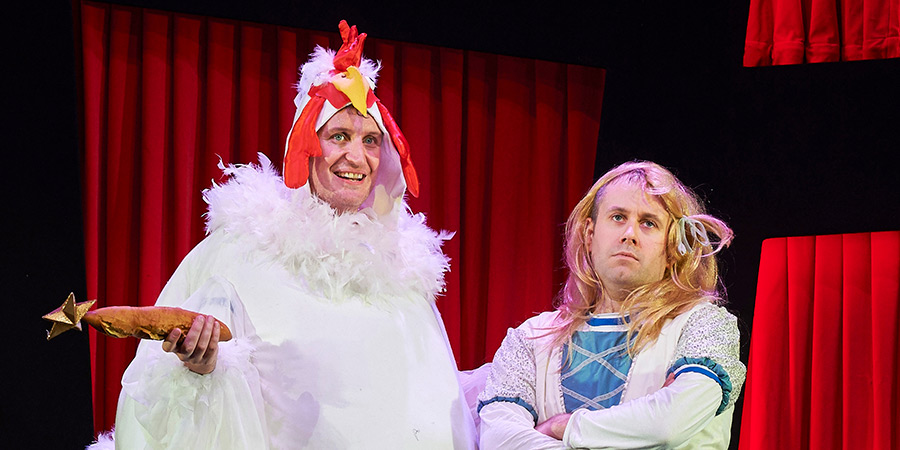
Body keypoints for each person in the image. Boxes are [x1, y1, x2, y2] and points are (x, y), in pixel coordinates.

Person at [93, 21, 476, 449]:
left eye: (371, 140)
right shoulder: (244, 246)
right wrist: (200, 368)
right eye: (339, 136)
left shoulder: (402, 275)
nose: (357, 156)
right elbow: (160, 395)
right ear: (305, 145)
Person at [477, 161, 746, 449]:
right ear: (590, 235)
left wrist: (562, 425)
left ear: (671, 248)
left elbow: (668, 423)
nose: (629, 233)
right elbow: (498, 440)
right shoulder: (531, 338)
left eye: (648, 223)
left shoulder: (704, 324)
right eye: (618, 217)